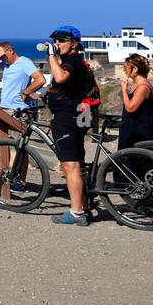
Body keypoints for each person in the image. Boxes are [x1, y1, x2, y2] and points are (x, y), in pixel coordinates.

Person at [44, 25, 96, 226]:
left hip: (68, 118)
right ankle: (83, 206)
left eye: (61, 41)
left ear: (73, 44)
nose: (57, 44)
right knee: (78, 163)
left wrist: (50, 55)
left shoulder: (72, 61)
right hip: (78, 115)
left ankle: (76, 213)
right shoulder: (73, 61)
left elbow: (60, 77)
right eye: (55, 41)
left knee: (70, 165)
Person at [0, 41, 46, 112]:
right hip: (4, 107)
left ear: (10, 51)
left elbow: (41, 80)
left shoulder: (24, 62)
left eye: (3, 56)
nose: (2, 58)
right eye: (0, 57)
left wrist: (25, 93)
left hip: (18, 109)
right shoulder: (5, 63)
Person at [118, 53, 153, 150]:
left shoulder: (143, 87)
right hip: (133, 132)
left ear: (136, 69)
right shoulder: (137, 85)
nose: (124, 69)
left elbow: (130, 108)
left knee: (139, 163)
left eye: (126, 67)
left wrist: (124, 90)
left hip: (140, 135)